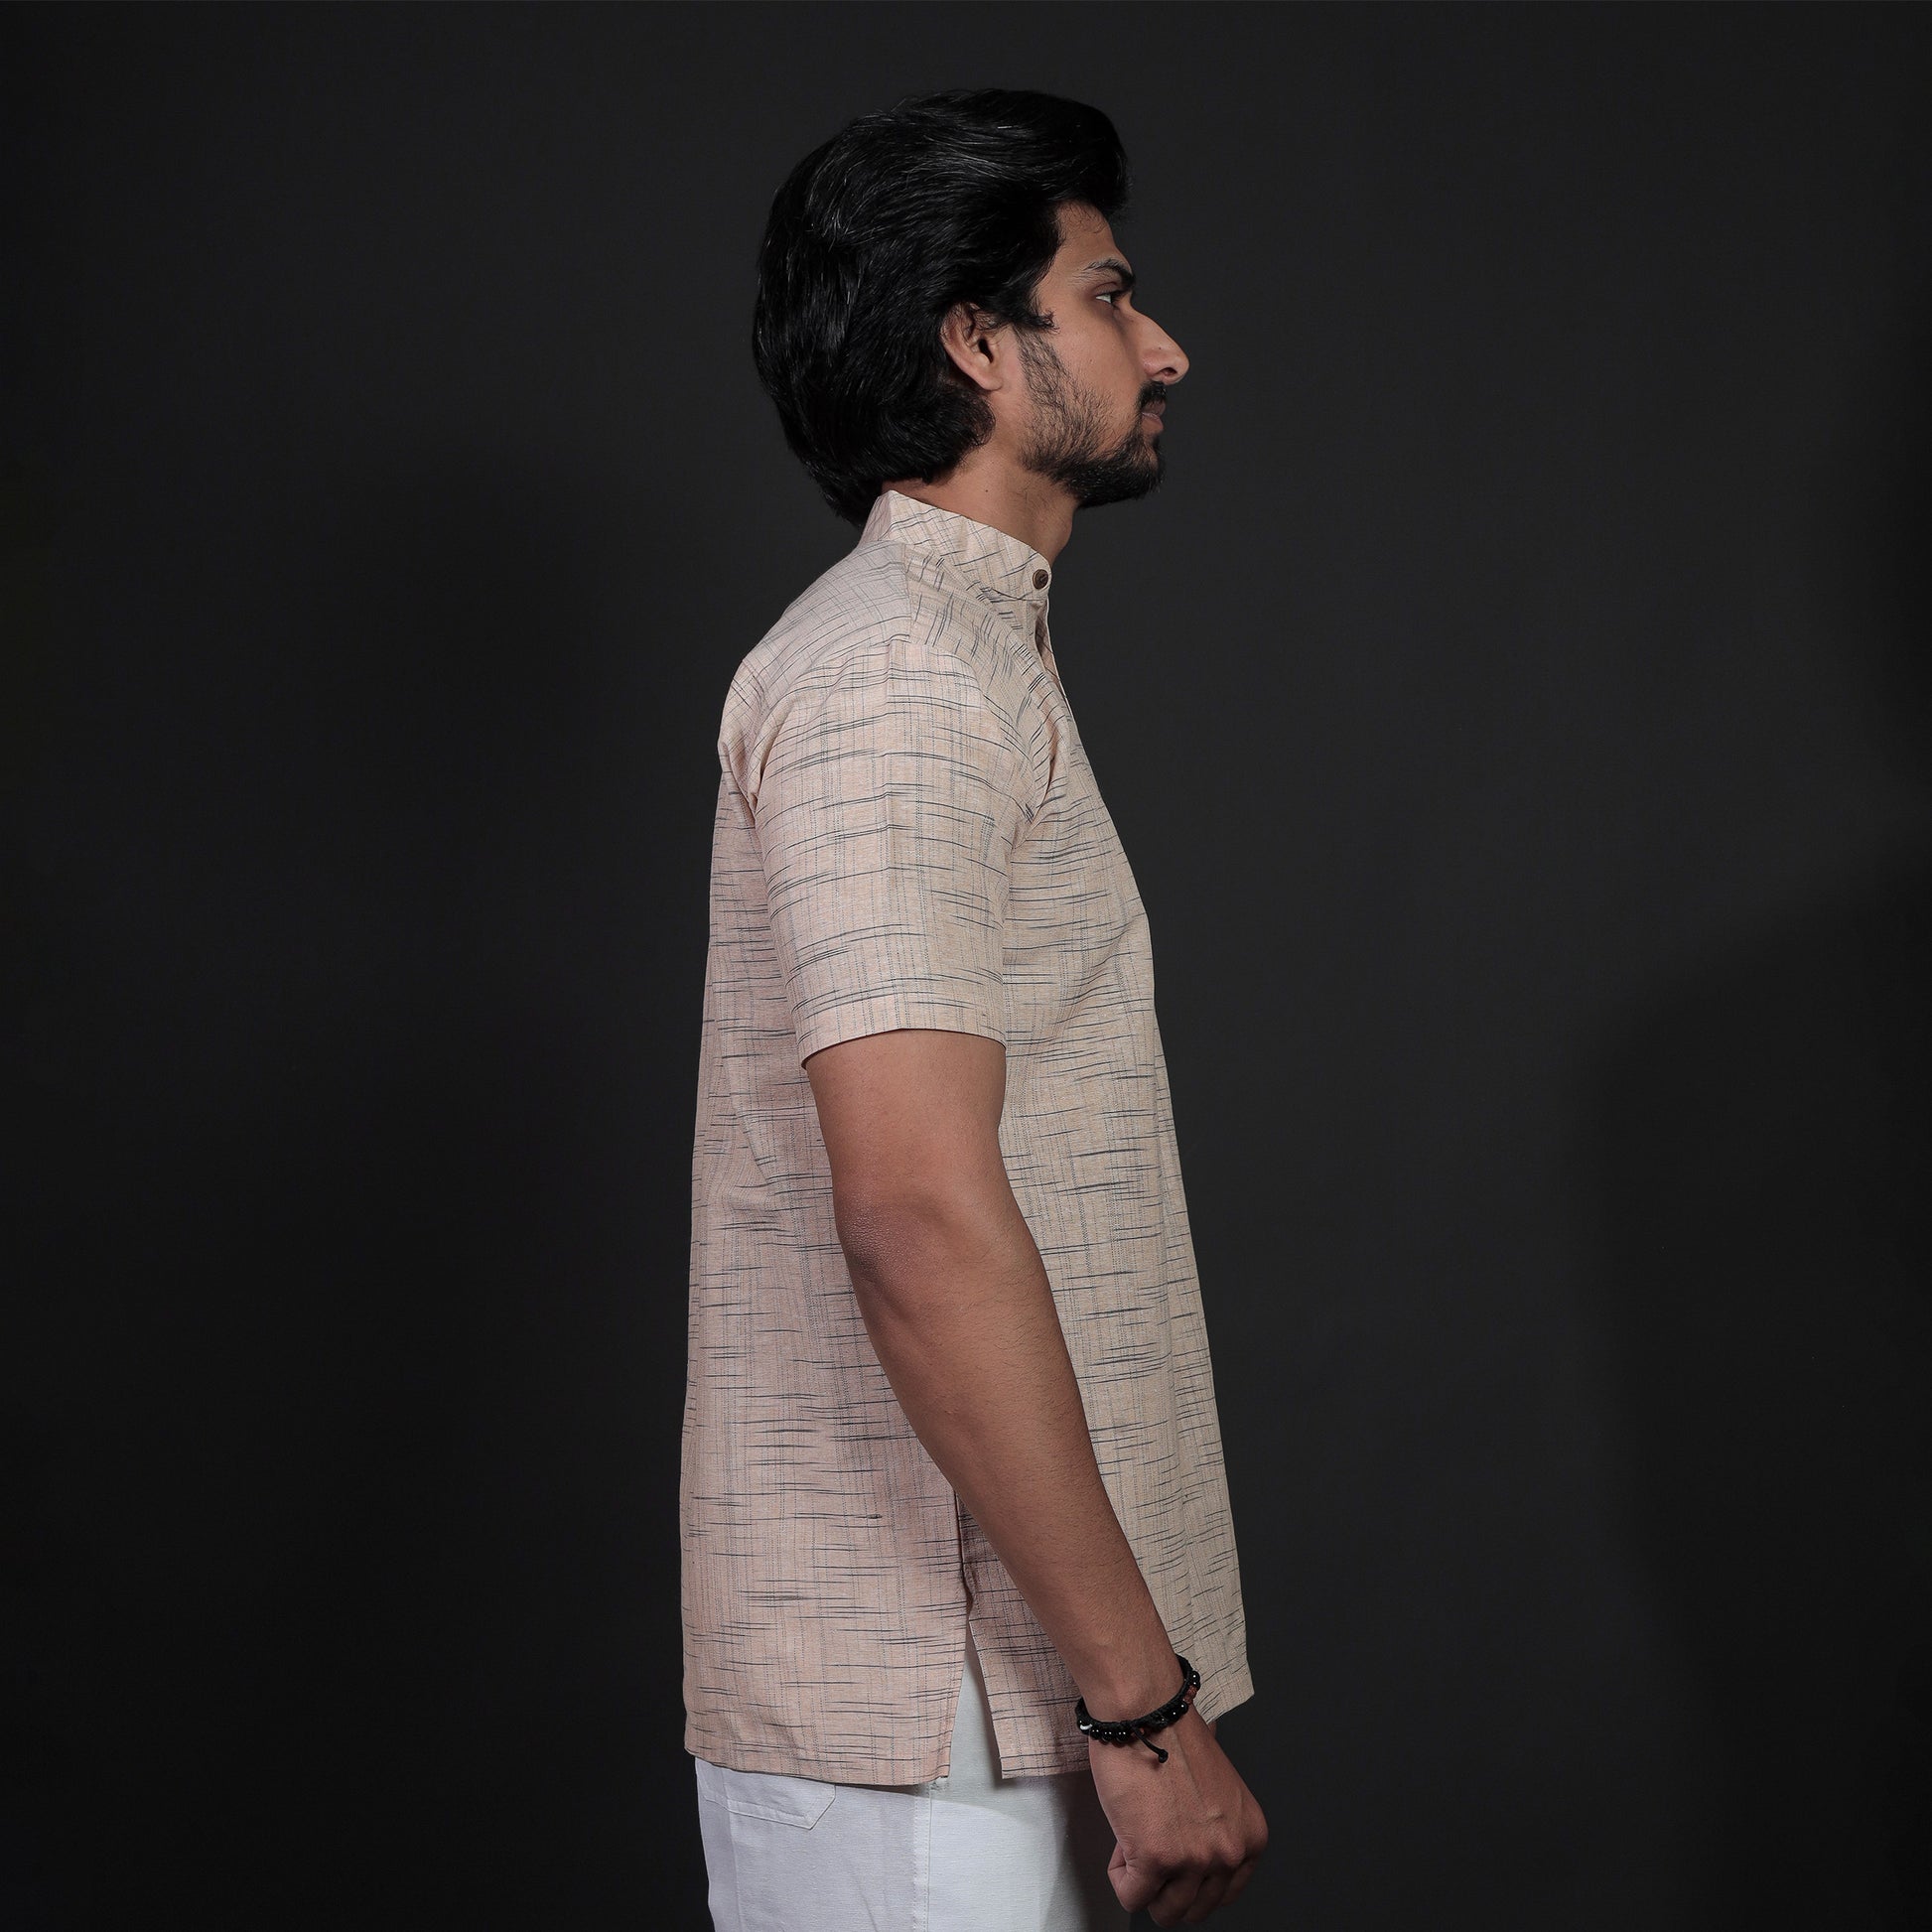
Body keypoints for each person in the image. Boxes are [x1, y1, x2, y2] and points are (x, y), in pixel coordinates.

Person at [682, 87, 1268, 1930]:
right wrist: (1144, 1704)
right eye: (1107, 295)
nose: (1162, 347)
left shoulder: (957, 650)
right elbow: (918, 1214)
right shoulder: (894, 682)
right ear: (976, 343)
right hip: (923, 1707)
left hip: (993, 1703)